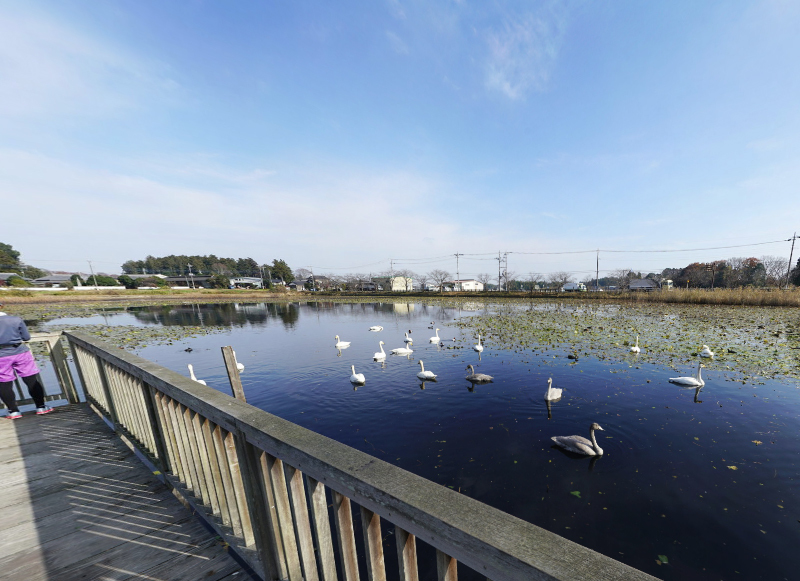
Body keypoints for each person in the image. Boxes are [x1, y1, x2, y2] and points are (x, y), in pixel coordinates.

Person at [0, 304, 52, 419]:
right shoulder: (15, 320)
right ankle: (41, 407)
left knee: (4, 384)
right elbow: (26, 337)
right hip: (20, 352)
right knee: (31, 379)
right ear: (1, 306)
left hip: (1, 357)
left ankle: (13, 412)